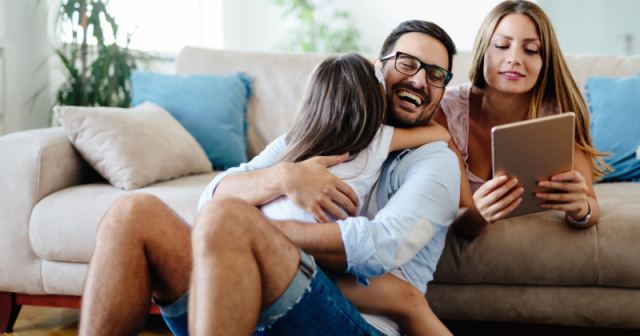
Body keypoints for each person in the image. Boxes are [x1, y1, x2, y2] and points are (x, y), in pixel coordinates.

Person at [78, 20, 460, 336]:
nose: (420, 80)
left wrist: (253, 234)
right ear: (379, 66)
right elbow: (212, 196)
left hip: (351, 321)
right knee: (132, 212)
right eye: (408, 63)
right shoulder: (313, 137)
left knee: (228, 220)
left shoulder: (434, 160)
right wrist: (283, 177)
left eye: (437, 75)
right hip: (252, 291)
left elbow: (384, 247)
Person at [258, 52, 452, 336]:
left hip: (264, 252)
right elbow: (442, 135)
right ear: (375, 104)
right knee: (400, 297)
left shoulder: (296, 144)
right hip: (311, 261)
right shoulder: (375, 140)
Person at [433, 0, 610, 237]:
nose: (514, 58)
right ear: (482, 50)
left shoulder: (558, 116)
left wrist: (580, 209)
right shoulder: (446, 111)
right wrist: (479, 213)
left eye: (530, 50)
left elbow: (590, 206)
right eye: (501, 45)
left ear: (544, 61)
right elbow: (463, 224)